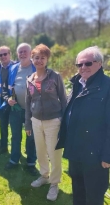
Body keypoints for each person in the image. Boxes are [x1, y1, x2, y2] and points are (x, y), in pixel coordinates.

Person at [56, 46, 110, 205]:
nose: (83, 68)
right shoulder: (77, 83)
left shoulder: (107, 87)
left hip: (95, 154)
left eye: (87, 64)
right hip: (76, 150)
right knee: (78, 192)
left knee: (94, 196)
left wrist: (107, 155)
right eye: (79, 65)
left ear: (99, 64)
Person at [25, 44, 67, 201]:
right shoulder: (30, 79)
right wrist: (28, 124)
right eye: (36, 57)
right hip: (36, 121)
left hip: (53, 121)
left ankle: (54, 183)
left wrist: (64, 121)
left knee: (54, 153)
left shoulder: (55, 77)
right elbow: (28, 103)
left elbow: (63, 99)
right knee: (40, 151)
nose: (39, 60)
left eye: (42, 57)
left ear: (47, 59)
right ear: (32, 59)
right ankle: (44, 176)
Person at [4, 43, 37, 176]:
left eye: (25, 51)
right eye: (20, 52)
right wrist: (7, 99)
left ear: (30, 53)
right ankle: (14, 160)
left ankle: (30, 163)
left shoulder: (37, 67)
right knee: (15, 136)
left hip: (32, 110)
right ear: (17, 54)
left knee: (31, 137)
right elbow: (5, 89)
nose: (22, 54)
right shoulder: (13, 68)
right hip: (16, 109)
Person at [0, 45, 15, 155]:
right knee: (3, 126)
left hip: (15, 102)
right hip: (1, 103)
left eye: (5, 54)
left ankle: (16, 150)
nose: (3, 56)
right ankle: (3, 146)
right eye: (0, 55)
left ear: (10, 54)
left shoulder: (17, 67)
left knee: (16, 128)